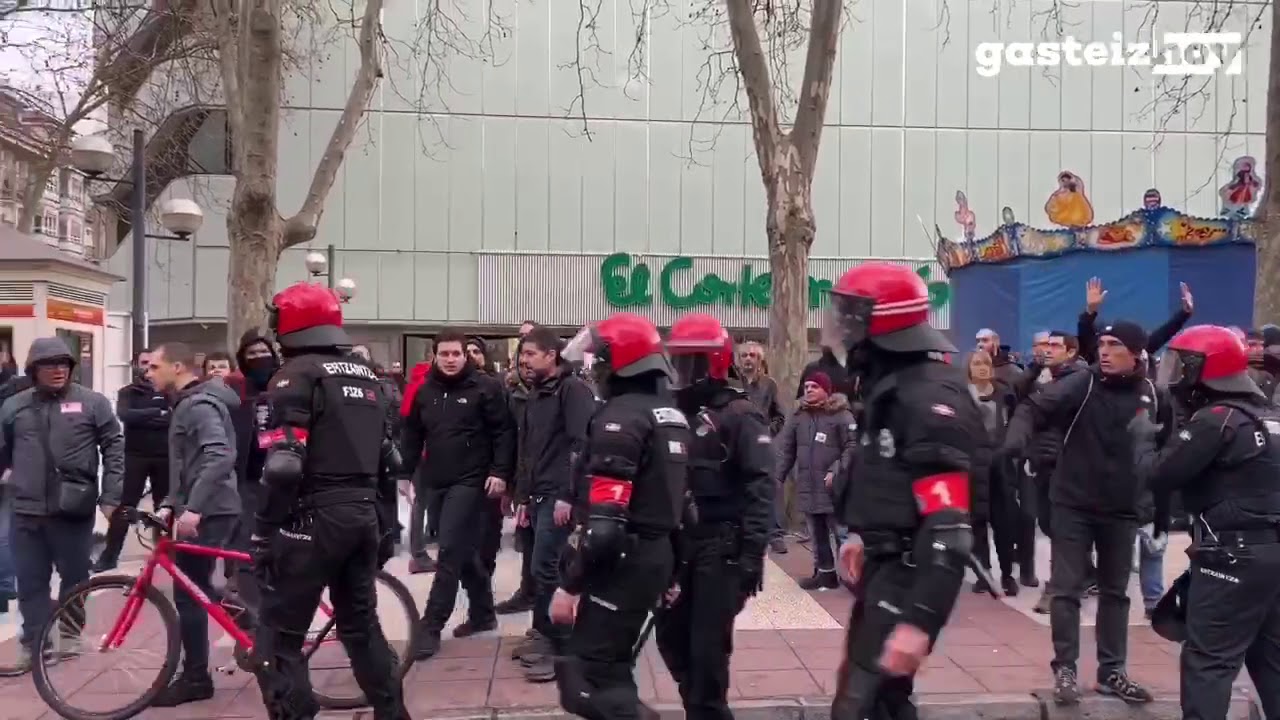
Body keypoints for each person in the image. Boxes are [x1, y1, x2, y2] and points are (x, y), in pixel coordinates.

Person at [822, 263, 984, 720]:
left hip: (908, 572)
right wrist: (863, 534)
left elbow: (948, 524)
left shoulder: (928, 395)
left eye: (853, 315)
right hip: (884, 563)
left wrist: (920, 621)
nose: (843, 326)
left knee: (859, 705)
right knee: (883, 703)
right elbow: (886, 475)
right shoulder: (891, 387)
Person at [250, 282, 408, 720]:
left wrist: (262, 531)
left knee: (278, 641)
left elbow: (284, 466)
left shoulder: (294, 376)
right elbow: (392, 460)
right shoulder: (368, 377)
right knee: (362, 628)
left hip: (311, 520)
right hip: (363, 516)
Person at [1000, 321, 1170, 705]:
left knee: (1116, 593)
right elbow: (1031, 407)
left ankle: (1112, 672)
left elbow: (1165, 454)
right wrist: (1015, 442)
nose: (1104, 351)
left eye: (1115, 345)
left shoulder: (1153, 394)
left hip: (1121, 509)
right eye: (1102, 343)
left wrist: (1160, 512)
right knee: (1066, 589)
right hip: (1072, 503)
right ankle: (1065, 669)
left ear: (1137, 353)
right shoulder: (1083, 383)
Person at [1131, 325, 1280, 720]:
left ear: (1204, 369)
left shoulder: (1217, 419)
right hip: (1270, 553)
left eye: (1183, 365)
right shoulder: (1267, 416)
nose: (1176, 375)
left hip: (1232, 556)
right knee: (1270, 660)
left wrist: (1142, 437)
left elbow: (1159, 474)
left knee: (1209, 661)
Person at [551, 312, 691, 720]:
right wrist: (674, 572)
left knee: (588, 680)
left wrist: (570, 585)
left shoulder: (620, 419)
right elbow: (683, 506)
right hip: (654, 557)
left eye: (600, 359)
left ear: (622, 361)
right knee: (610, 667)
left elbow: (605, 525)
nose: (594, 368)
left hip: (622, 562)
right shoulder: (669, 415)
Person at [656, 313, 773, 720]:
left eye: (691, 362)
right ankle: (701, 708)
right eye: (678, 361)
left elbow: (762, 487)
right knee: (670, 637)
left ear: (714, 362)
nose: (683, 371)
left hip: (722, 549)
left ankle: (706, 711)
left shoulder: (741, 414)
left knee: (707, 653)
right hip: (680, 546)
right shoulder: (673, 413)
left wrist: (752, 556)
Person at [0, 337, 124, 672]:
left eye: (63, 363)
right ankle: (35, 644)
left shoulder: (93, 403)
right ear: (33, 369)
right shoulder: (13, 406)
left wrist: (111, 496)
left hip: (73, 509)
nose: (58, 370)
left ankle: (70, 634)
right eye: (49, 364)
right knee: (30, 582)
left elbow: (114, 448)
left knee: (75, 577)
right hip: (25, 510)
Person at [402, 329, 515, 660]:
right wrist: (404, 474)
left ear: (466, 356)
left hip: (472, 481)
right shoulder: (425, 391)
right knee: (462, 552)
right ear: (434, 356)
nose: (451, 360)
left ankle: (431, 626)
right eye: (445, 354)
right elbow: (412, 434)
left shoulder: (486, 387)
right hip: (436, 481)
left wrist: (500, 473)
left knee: (449, 551)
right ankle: (483, 613)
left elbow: (504, 432)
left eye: (456, 354)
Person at [146, 342, 242, 706]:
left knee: (190, 593)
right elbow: (188, 465)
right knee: (197, 588)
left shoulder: (198, 405)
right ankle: (251, 625)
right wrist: (170, 504)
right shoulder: (189, 402)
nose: (148, 373)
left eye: (155, 367)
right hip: (210, 505)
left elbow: (218, 456)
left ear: (178, 367)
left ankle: (197, 678)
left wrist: (195, 508)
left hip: (211, 509)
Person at [508, 326, 597, 682]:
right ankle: (542, 631)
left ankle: (560, 644)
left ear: (551, 355)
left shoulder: (571, 390)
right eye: (523, 355)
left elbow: (581, 446)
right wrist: (522, 496)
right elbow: (529, 449)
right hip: (538, 494)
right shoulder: (537, 393)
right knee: (539, 568)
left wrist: (568, 496)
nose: (524, 361)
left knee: (550, 569)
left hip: (559, 496)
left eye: (531, 354)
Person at [774, 371, 857, 590]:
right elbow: (787, 451)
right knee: (817, 533)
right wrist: (777, 478)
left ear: (826, 390)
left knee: (841, 533)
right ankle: (825, 574)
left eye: (814, 386)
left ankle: (853, 577)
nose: (809, 390)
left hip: (834, 488)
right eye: (807, 387)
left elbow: (852, 446)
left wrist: (836, 470)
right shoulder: (799, 417)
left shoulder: (841, 415)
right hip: (808, 486)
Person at [96, 349, 172, 572]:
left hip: (165, 456)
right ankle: (110, 555)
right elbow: (126, 415)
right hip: (135, 456)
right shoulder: (128, 392)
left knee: (164, 509)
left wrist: (147, 416)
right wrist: (159, 413)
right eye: (144, 362)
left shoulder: (169, 391)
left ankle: (165, 556)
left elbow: (174, 418)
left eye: (153, 364)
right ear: (136, 365)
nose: (147, 368)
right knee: (125, 507)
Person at [965, 350, 1020, 597]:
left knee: (1004, 524)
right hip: (974, 467)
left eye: (986, 363)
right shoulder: (963, 397)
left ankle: (1007, 575)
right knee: (977, 523)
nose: (982, 367)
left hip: (1001, 467)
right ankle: (983, 574)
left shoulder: (1005, 394)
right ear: (969, 369)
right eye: (977, 363)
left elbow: (1016, 425)